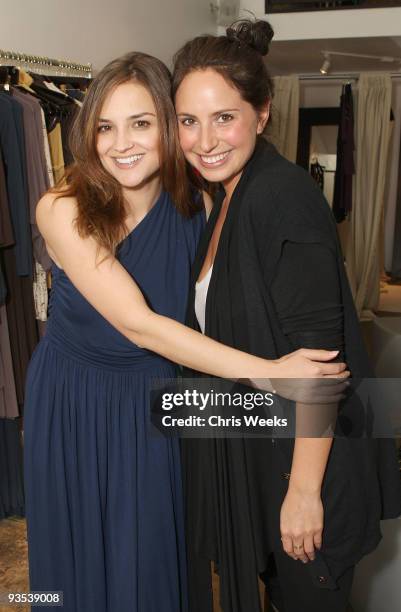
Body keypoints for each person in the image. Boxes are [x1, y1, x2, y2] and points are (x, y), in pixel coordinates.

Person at [23, 52, 346, 612]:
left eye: (141, 123)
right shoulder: (62, 206)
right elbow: (137, 323)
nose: (121, 143)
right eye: (106, 126)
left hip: (156, 407)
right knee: (74, 558)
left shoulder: (201, 205)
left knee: (152, 559)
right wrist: (271, 374)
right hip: (74, 400)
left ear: (168, 128)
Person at [172, 19, 401, 612]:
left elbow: (321, 364)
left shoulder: (281, 197)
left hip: (301, 473)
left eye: (224, 117)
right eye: (188, 120)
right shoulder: (226, 197)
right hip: (261, 456)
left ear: (263, 114)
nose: (204, 140)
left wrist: (303, 493)